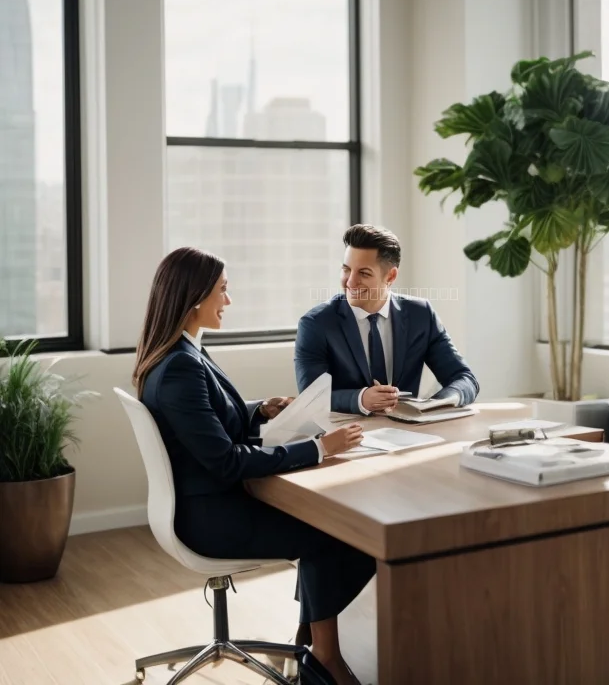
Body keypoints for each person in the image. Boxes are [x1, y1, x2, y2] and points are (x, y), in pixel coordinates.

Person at [133, 246, 375, 685]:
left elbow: (206, 419)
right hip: (209, 518)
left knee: (331, 529)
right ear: (194, 298)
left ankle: (307, 641)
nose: (228, 301)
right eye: (222, 291)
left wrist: (259, 409)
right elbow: (226, 461)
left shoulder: (179, 353)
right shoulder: (181, 367)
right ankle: (325, 657)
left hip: (202, 503)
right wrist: (319, 448)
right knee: (337, 534)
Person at [295, 224, 479, 414]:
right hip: (347, 430)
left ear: (390, 276)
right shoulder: (316, 324)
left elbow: (464, 379)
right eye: (346, 269)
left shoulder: (420, 314)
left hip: (407, 427)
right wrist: (360, 399)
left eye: (363, 273)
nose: (350, 281)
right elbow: (310, 398)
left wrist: (435, 405)